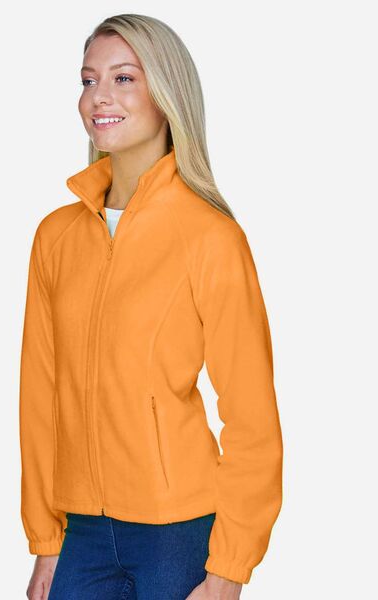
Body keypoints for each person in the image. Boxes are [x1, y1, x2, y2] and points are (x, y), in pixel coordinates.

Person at [19, 13, 283, 600]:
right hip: (80, 534)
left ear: (166, 94)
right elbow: (40, 396)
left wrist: (229, 568)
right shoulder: (56, 237)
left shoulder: (210, 238)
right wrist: (45, 538)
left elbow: (252, 419)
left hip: (177, 534)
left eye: (123, 78)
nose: (99, 97)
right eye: (88, 80)